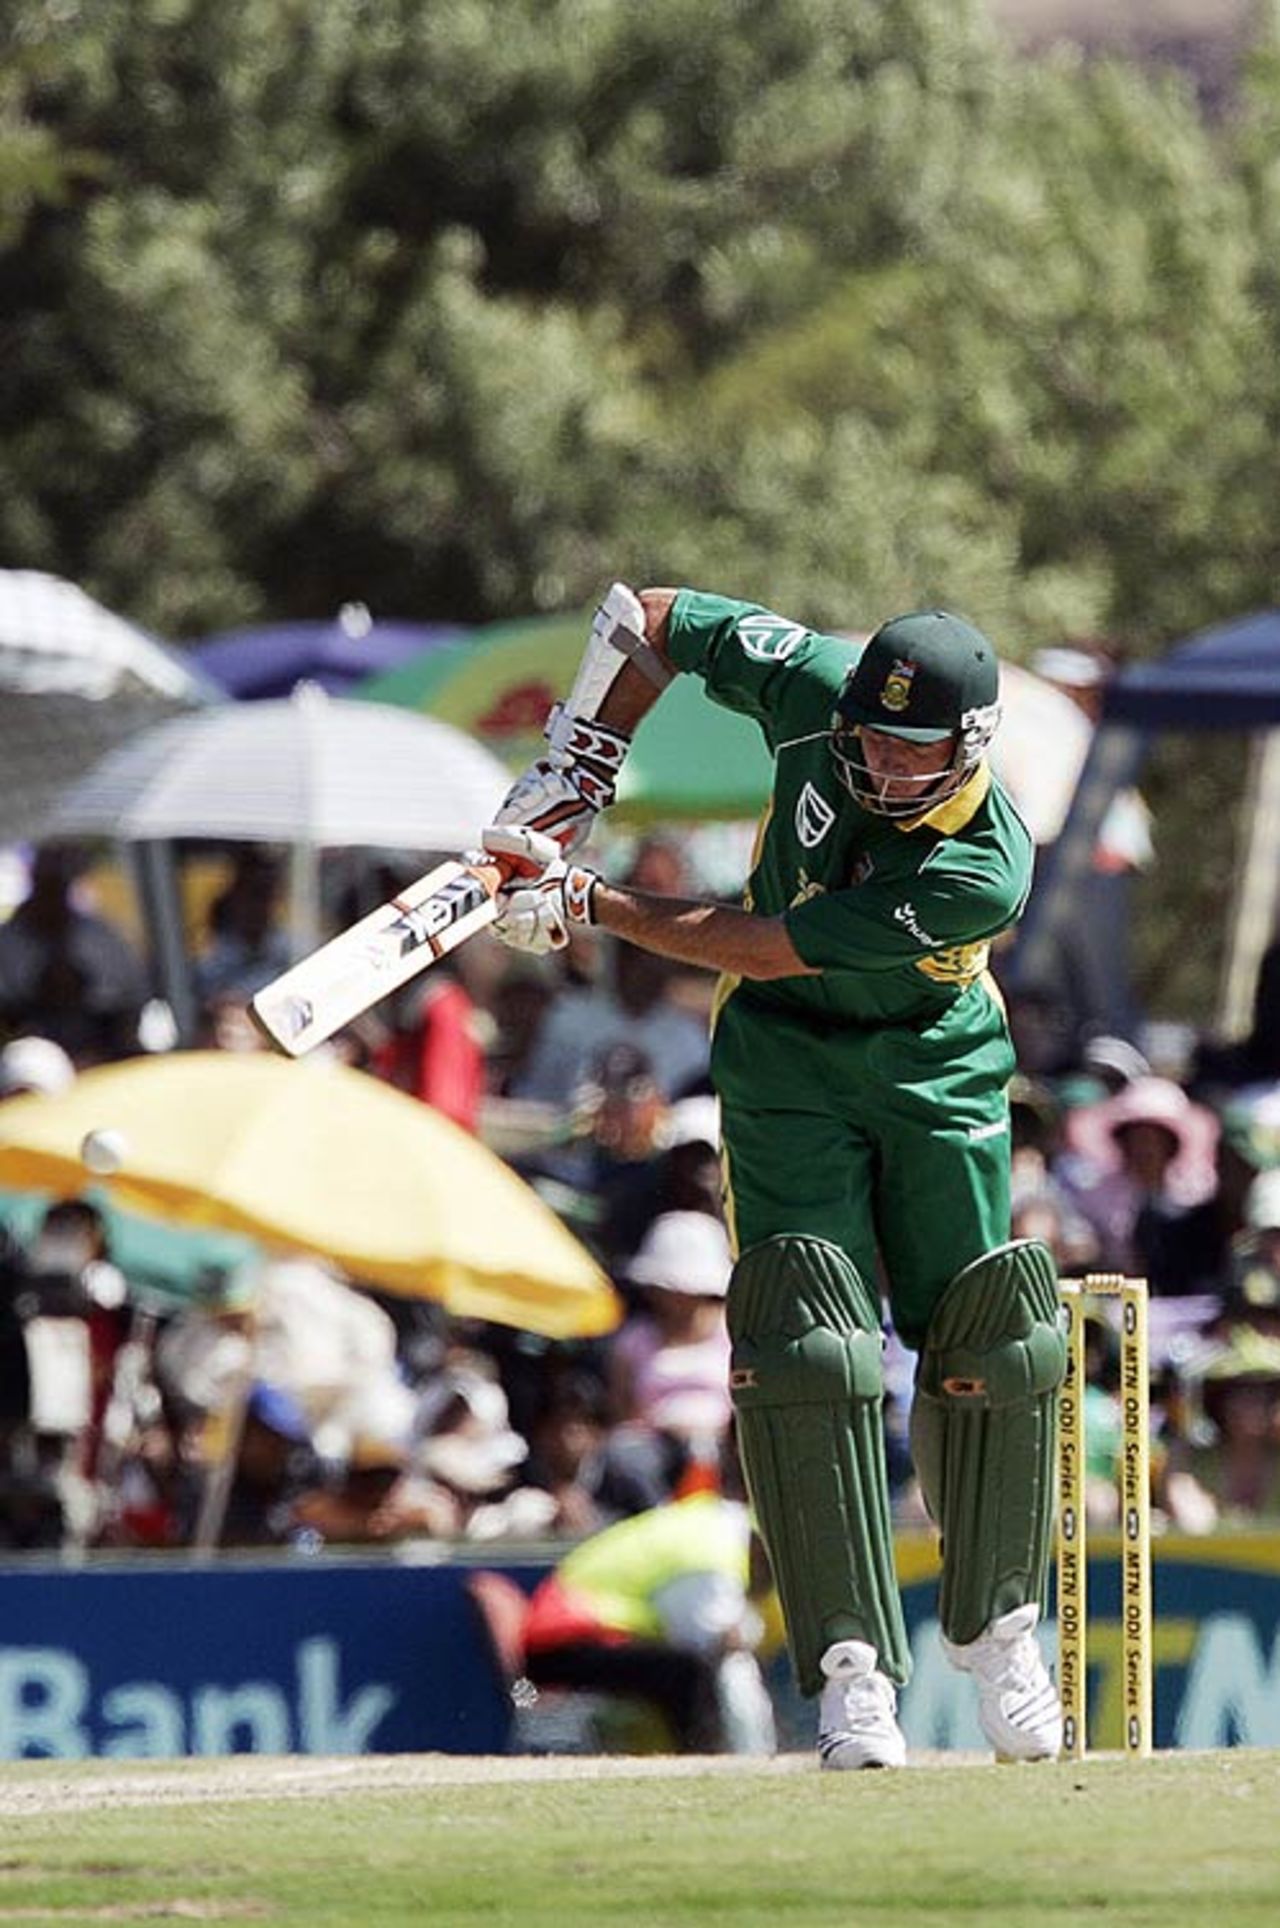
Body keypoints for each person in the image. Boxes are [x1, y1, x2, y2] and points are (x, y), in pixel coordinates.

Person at [478, 581, 1067, 1770]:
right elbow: (644, 615)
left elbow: (765, 941)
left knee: (989, 1335)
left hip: (930, 1055)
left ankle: (1001, 1627)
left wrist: (582, 899)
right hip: (783, 1060)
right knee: (805, 1338)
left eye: (913, 750)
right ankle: (852, 1673)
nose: (881, 767)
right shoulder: (811, 689)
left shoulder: (983, 860)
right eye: (868, 737)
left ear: (967, 746)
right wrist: (573, 778)